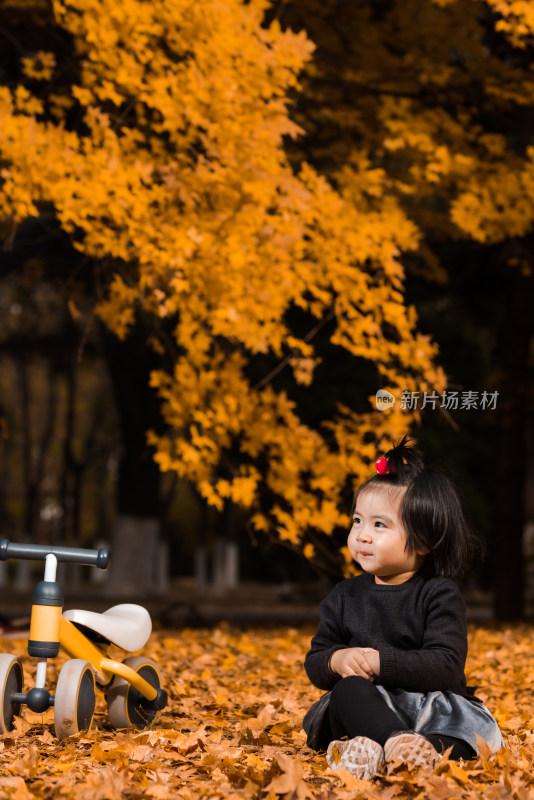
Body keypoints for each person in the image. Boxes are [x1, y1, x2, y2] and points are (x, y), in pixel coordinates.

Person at [302, 436, 503, 780]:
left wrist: (382, 662)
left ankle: (394, 753)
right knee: (347, 692)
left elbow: (445, 665)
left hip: (431, 707)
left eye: (379, 525)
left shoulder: (438, 594)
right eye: (357, 521)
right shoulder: (345, 595)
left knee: (469, 736)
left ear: (424, 541)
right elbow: (316, 660)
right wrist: (336, 660)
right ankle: (393, 743)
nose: (362, 535)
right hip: (369, 707)